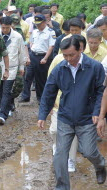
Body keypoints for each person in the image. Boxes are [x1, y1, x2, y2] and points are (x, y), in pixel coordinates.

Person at [38, 36, 106, 189]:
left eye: (71, 55)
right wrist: (42, 114)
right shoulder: (59, 69)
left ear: (80, 49)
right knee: (60, 154)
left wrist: (97, 112)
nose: (68, 59)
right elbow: (48, 93)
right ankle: (62, 186)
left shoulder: (95, 67)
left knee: (88, 151)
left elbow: (101, 92)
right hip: (65, 118)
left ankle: (100, 165)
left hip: (87, 118)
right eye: (65, 55)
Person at [48, 34, 86, 173]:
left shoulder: (85, 63)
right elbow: (50, 82)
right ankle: (57, 146)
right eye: (66, 55)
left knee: (72, 133)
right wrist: (50, 103)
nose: (69, 59)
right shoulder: (58, 60)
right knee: (54, 130)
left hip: (76, 106)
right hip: (59, 102)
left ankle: (70, 160)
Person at [0, 16, 26, 124]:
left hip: (12, 68)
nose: (5, 30)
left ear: (11, 26)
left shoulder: (17, 37)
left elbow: (21, 52)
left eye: (7, 28)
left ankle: (2, 115)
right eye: (3, 27)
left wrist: (21, 67)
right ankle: (3, 107)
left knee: (6, 91)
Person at [21, 14, 56, 103]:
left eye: (39, 24)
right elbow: (31, 42)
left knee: (40, 79)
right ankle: (25, 96)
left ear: (44, 22)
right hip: (33, 55)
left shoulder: (50, 32)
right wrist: (29, 53)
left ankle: (40, 98)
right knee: (28, 76)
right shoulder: (35, 31)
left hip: (42, 57)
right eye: (36, 24)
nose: (37, 25)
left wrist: (45, 58)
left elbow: (51, 46)